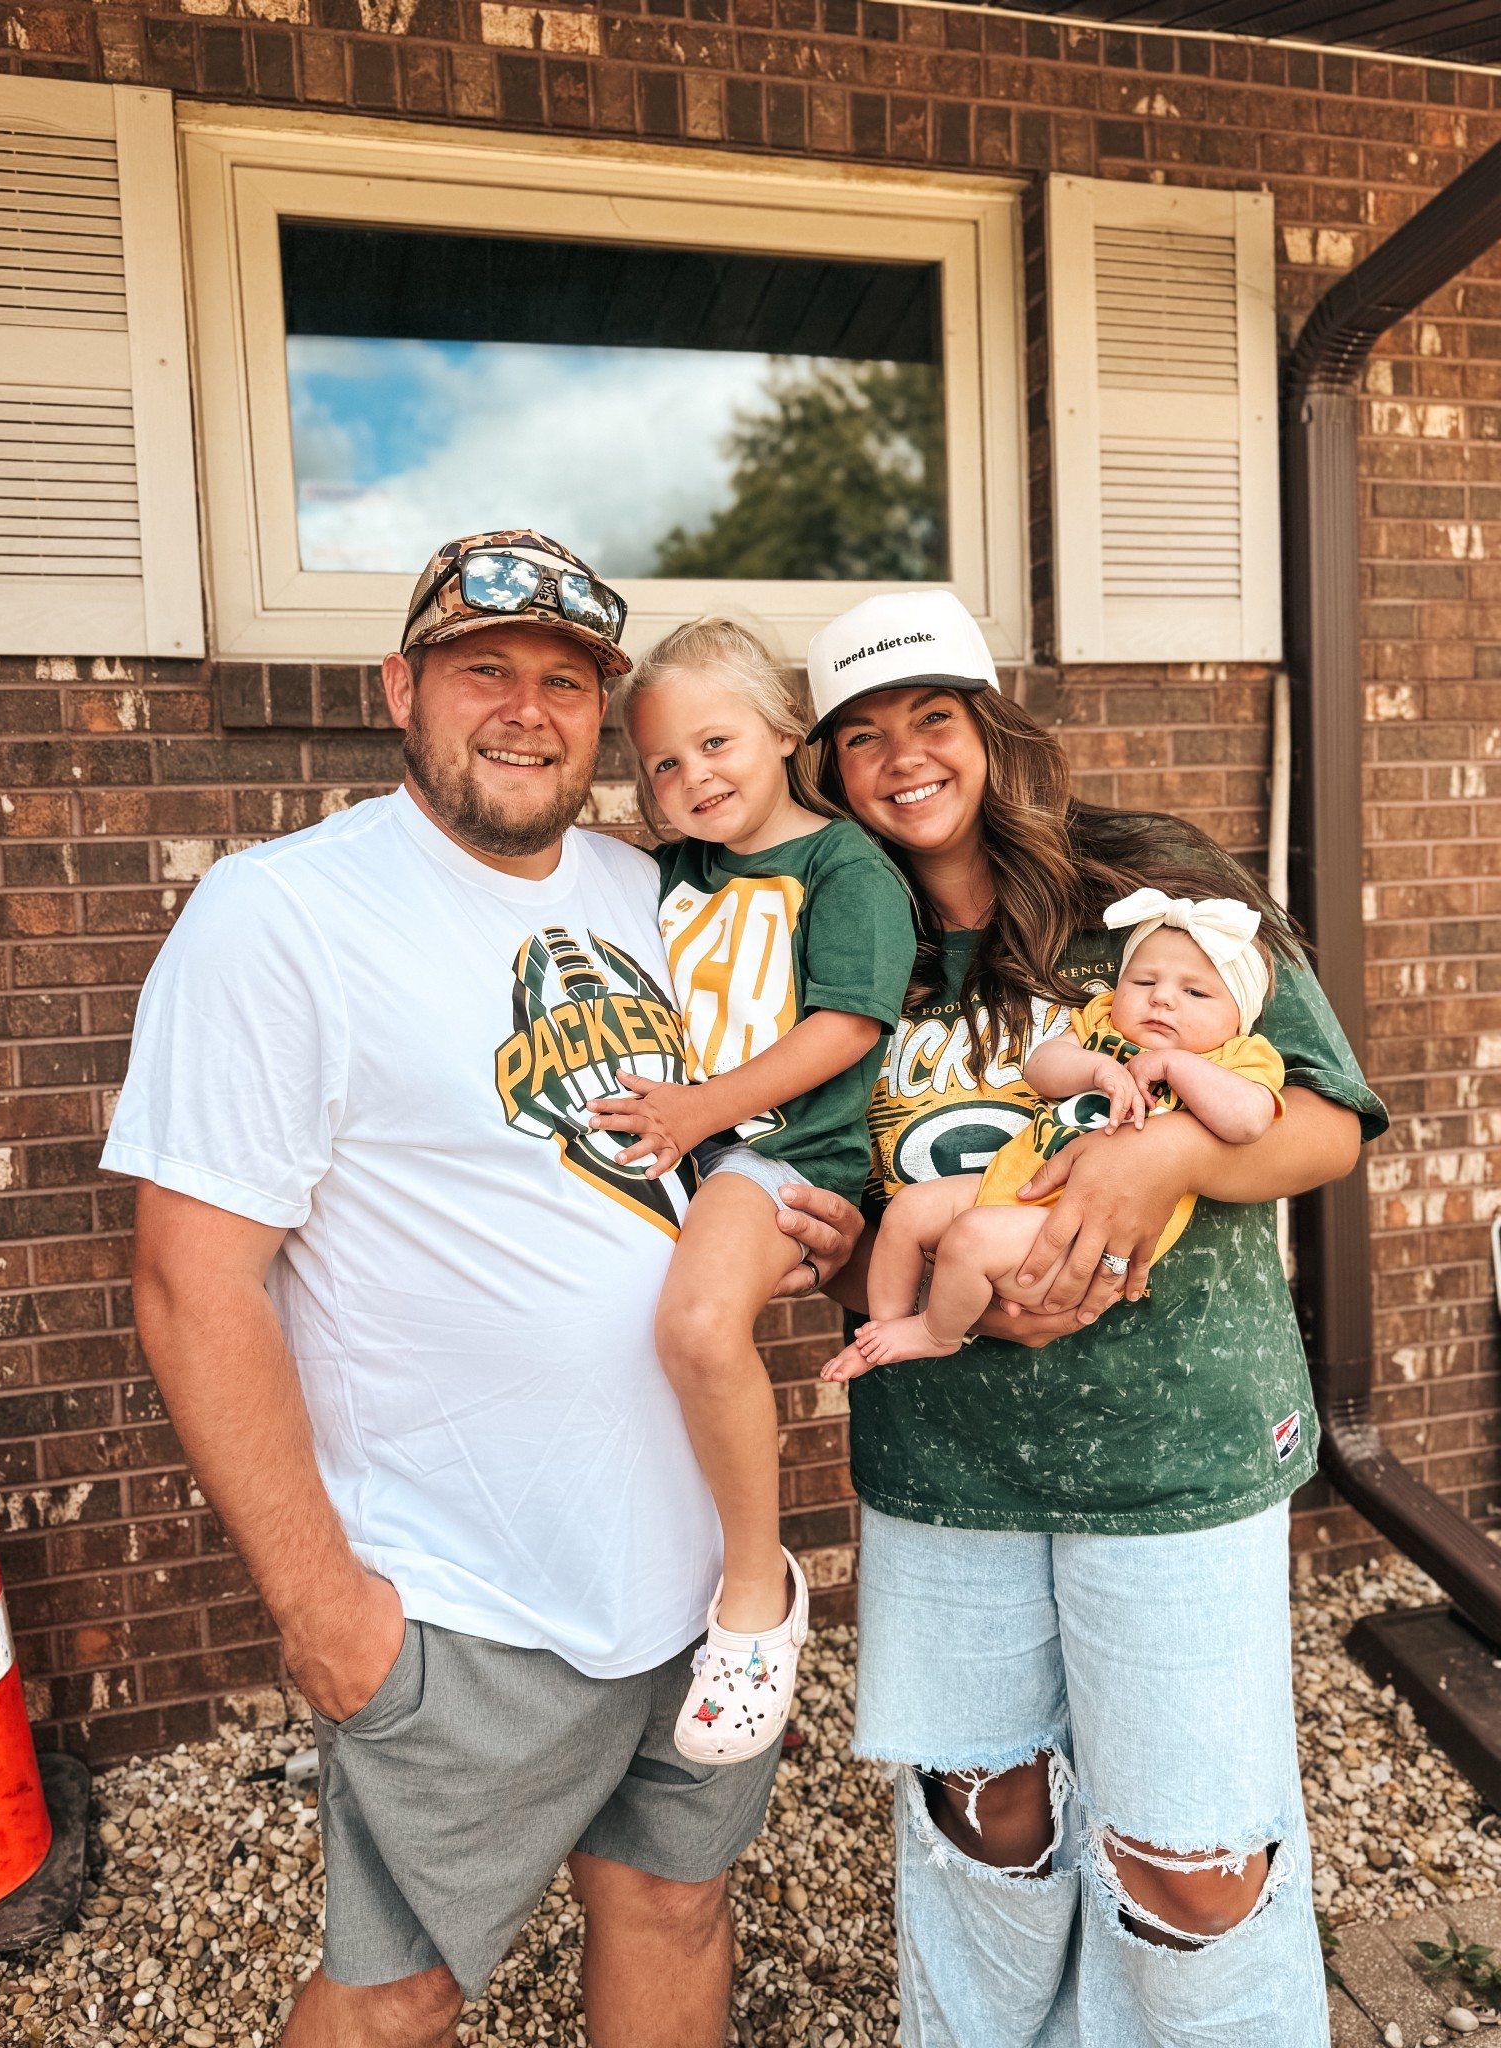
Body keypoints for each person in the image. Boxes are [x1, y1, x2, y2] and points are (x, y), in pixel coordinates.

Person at [102, 532, 855, 2048]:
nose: (526, 710)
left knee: (674, 1903)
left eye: (567, 683)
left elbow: (713, 1145)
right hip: (467, 1597)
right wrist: (328, 1616)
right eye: (483, 671)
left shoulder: (663, 894)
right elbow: (194, 1288)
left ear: (605, 716)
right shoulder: (283, 917)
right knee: (398, 1997)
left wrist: (790, 1221)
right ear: (401, 689)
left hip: (704, 1582)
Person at [803, 588, 1386, 2047]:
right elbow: (813, 1184)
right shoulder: (825, 933)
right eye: (860, 734)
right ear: (827, 770)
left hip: (1173, 1447)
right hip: (946, 1452)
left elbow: (1328, 1124)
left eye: (932, 716)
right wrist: (867, 1255)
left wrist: (1166, 1151)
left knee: (1194, 1870)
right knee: (986, 1825)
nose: (904, 757)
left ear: (990, 726)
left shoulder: (1152, 881)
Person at [586, 618, 914, 1764]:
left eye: (716, 740)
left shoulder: (842, 864)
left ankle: (753, 1596)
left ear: (785, 732)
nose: (692, 777)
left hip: (779, 1152)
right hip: (689, 1148)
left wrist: (700, 1109)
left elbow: (847, 1023)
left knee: (695, 1321)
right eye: (664, 764)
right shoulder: (672, 870)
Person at [824, 885, 1285, 1374]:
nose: (1163, 999)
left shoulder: (1237, 1056)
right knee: (909, 1209)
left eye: (1194, 992)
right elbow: (1041, 1066)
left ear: (1241, 1015)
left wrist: (1174, 1065)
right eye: (1144, 982)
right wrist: (1096, 1070)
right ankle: (885, 1327)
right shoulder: (1102, 1023)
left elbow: (1249, 1121)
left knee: (969, 1238)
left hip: (1079, 1231)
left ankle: (937, 1333)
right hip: (1017, 1184)